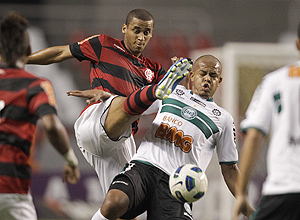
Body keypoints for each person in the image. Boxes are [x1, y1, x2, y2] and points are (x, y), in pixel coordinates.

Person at [26, 9, 169, 207]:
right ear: (124, 29)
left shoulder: (154, 69)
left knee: (122, 208)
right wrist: (22, 61)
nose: (141, 37)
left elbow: (166, 102)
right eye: (136, 30)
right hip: (95, 120)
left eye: (146, 32)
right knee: (122, 102)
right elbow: (60, 52)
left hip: (120, 140)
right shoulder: (103, 44)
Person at [87, 55, 253, 220]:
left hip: (178, 186)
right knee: (113, 203)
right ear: (192, 76)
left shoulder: (223, 119)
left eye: (213, 76)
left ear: (220, 80)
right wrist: (108, 96)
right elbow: (133, 104)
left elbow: (230, 168)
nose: (207, 79)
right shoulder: (171, 91)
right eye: (202, 74)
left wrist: (244, 201)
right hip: (143, 168)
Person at [0, 11, 80, 220]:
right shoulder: (36, 86)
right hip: (11, 188)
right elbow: (52, 126)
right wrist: (70, 160)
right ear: (28, 49)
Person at [232, 24, 300, 220]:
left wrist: (242, 193)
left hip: (283, 189)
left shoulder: (275, 81)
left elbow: (253, 137)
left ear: (297, 44)